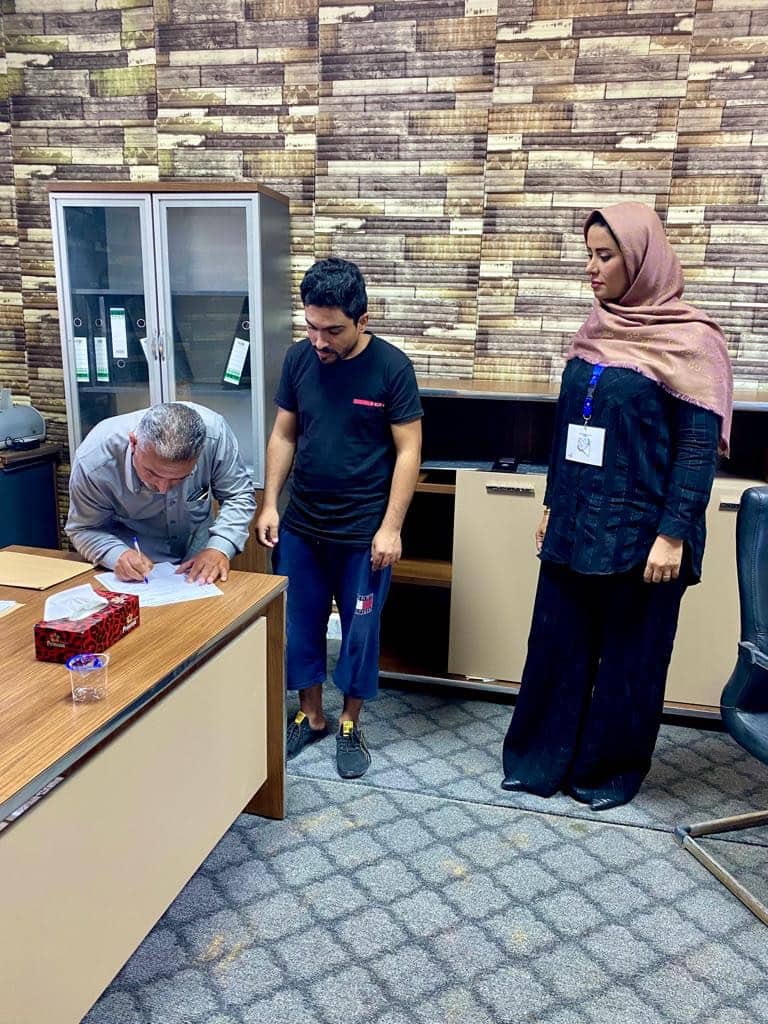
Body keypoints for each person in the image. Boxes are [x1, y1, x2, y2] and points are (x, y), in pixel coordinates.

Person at [501, 201, 733, 811]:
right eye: (589, 255)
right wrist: (552, 502)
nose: (592, 267)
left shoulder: (692, 341)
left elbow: (697, 449)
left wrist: (674, 533)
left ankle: (606, 771)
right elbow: (566, 429)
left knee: (631, 657)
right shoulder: (597, 327)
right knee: (557, 642)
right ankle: (539, 760)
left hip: (644, 529)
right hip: (578, 517)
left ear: (641, 259)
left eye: (605, 256)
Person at [256, 257, 422, 779]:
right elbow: (284, 434)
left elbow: (409, 450)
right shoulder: (299, 359)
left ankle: (350, 721)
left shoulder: (392, 368)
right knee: (300, 624)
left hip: (363, 531)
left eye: (332, 331)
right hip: (303, 524)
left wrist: (391, 527)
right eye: (311, 326)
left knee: (359, 630)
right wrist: (270, 503)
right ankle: (311, 715)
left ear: (362, 320)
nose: (319, 340)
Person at [66, 402, 256, 584]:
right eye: (152, 473)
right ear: (133, 443)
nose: (163, 488)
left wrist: (219, 547)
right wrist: (116, 554)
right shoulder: (95, 460)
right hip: (136, 567)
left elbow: (238, 495)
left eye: (179, 478)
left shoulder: (215, 436)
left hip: (199, 551)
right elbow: (83, 529)